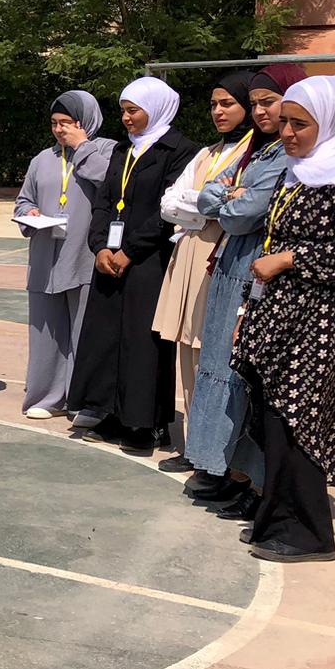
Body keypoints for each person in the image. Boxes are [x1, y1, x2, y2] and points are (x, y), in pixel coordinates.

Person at [232, 75, 335, 563]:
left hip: (318, 318)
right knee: (277, 417)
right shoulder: (301, 169)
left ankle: (309, 533)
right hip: (278, 310)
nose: (288, 133)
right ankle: (275, 518)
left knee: (300, 420)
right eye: (286, 123)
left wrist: (291, 259)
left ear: (332, 121)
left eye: (301, 124)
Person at [183, 64, 309, 515]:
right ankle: (226, 469)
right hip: (233, 261)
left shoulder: (286, 156)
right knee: (220, 365)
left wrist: (232, 198)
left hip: (254, 266)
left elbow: (242, 213)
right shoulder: (254, 151)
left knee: (244, 375)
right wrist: (230, 195)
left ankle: (251, 479)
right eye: (254, 103)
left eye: (267, 102)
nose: (259, 111)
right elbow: (206, 196)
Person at [67, 77, 201, 452]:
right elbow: (104, 202)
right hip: (110, 259)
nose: (125, 118)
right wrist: (99, 247)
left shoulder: (179, 150)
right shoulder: (122, 151)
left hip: (148, 261)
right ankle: (108, 411)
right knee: (107, 336)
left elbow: (167, 210)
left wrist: (131, 251)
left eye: (133, 111)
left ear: (155, 109)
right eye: (123, 111)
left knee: (143, 342)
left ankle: (145, 423)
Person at [151, 72, 256, 469]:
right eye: (213, 104)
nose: (218, 111)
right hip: (190, 254)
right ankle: (194, 444)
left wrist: (197, 206)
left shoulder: (253, 154)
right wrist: (206, 205)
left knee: (212, 352)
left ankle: (218, 450)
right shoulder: (207, 153)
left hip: (220, 257)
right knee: (186, 348)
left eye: (227, 103)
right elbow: (169, 202)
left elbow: (231, 209)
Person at [13, 91, 117, 420]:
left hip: (84, 256)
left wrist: (81, 146)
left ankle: (84, 401)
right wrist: (28, 213)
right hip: (46, 256)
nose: (59, 131)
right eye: (54, 124)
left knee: (84, 331)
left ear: (85, 122)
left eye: (67, 123)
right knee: (45, 331)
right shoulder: (42, 159)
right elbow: (23, 200)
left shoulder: (107, 150)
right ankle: (45, 397)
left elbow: (111, 185)